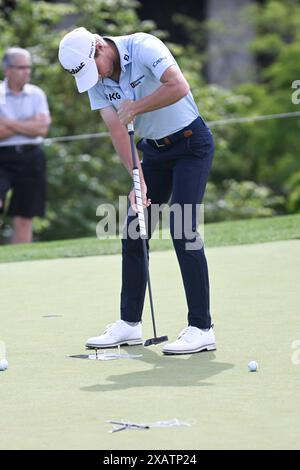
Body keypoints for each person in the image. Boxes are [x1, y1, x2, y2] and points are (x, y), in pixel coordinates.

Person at [58, 27, 216, 355]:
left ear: (100, 47)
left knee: (183, 229)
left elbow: (178, 86)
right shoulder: (96, 80)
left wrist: (137, 107)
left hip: (190, 144)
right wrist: (137, 178)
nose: (96, 76)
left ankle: (202, 328)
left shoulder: (144, 46)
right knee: (134, 230)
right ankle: (129, 324)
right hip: (153, 154)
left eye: (95, 67)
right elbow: (116, 129)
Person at [0, 48, 51, 244]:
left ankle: (20, 260)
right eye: (21, 67)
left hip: (31, 156)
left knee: (24, 216)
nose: (27, 71)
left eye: (28, 67)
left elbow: (43, 128)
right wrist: (28, 123)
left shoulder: (37, 94)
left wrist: (8, 123)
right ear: (8, 70)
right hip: (2, 156)